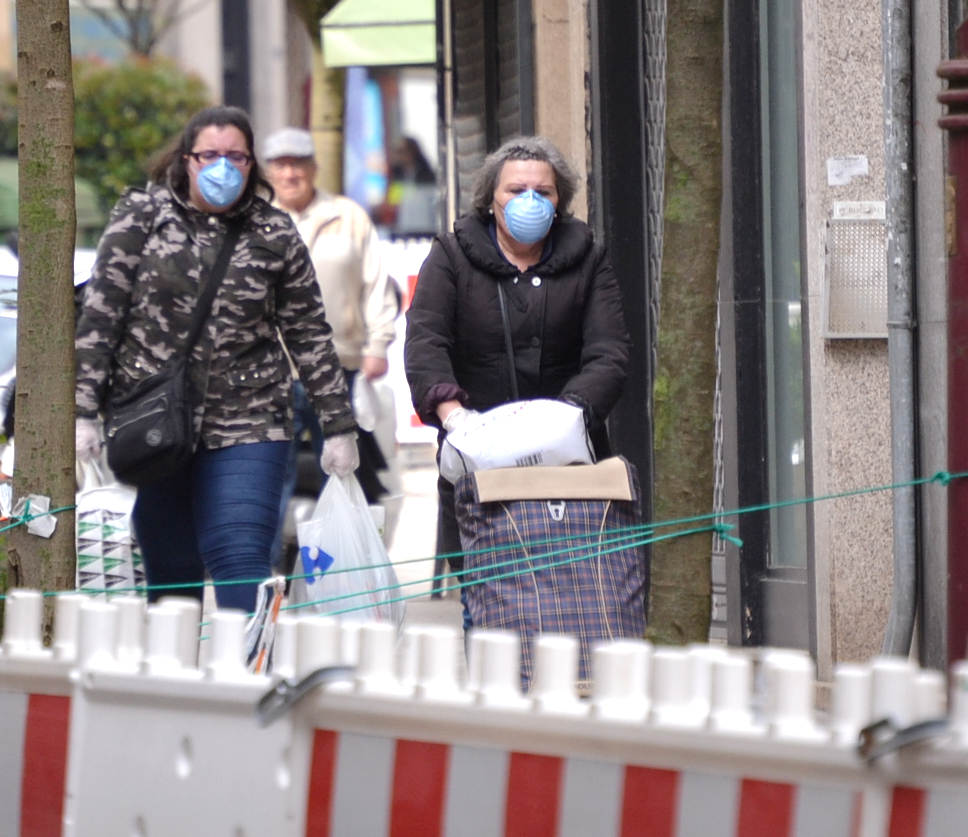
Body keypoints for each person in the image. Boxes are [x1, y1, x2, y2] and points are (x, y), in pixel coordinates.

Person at [73, 106, 360, 613]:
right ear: (186, 160)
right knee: (171, 561)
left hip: (250, 417)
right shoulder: (142, 217)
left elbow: (309, 333)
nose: (223, 167)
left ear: (252, 166)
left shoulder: (273, 233)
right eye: (210, 156)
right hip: (154, 415)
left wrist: (338, 426)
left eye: (236, 157)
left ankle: (242, 677)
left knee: (241, 550)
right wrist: (83, 410)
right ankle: (178, 678)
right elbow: (102, 315)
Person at [404, 135, 631, 582]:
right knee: (486, 600)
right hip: (477, 456)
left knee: (569, 602)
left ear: (559, 201)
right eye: (515, 190)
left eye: (542, 192)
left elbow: (610, 352)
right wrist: (455, 418)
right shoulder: (451, 257)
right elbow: (425, 341)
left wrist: (568, 416)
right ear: (492, 199)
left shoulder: (589, 258)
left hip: (568, 464)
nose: (530, 201)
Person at [260, 127, 399, 569]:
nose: (290, 173)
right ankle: (262, 576)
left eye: (298, 164)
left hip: (338, 368)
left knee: (342, 472)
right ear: (268, 172)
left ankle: (339, 576)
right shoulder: (255, 218)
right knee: (268, 476)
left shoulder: (348, 215)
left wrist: (378, 342)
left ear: (314, 168)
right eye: (280, 165)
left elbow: (375, 284)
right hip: (270, 371)